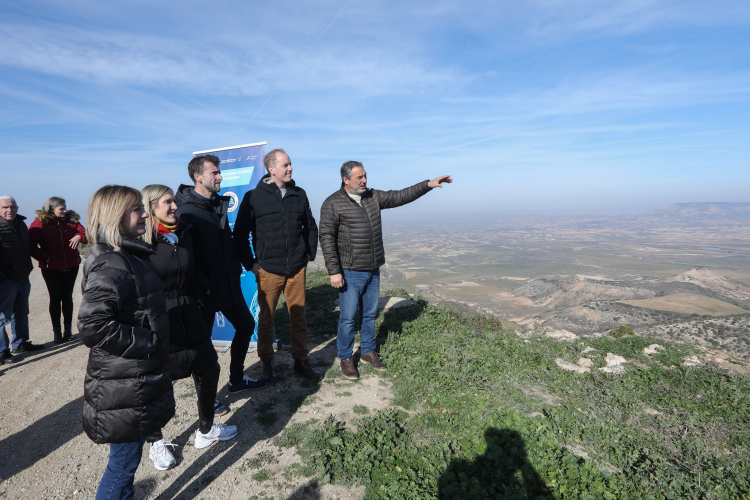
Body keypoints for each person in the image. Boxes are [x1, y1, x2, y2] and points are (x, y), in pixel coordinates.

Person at [77, 185, 175, 500]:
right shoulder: (112, 263)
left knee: (125, 461)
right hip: (124, 386)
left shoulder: (124, 254)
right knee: (122, 464)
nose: (145, 213)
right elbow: (93, 325)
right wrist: (149, 339)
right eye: (137, 209)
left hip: (131, 380)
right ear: (115, 216)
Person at [319, 162, 452, 379]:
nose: (364, 181)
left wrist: (427, 185)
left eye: (365, 176)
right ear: (346, 180)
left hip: (373, 267)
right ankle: (345, 357)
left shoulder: (372, 197)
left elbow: (400, 196)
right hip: (350, 270)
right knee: (348, 317)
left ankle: (368, 351)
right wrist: (334, 271)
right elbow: (326, 237)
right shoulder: (333, 203)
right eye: (359, 177)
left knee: (370, 314)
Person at [140, 184, 238, 471]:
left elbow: (191, 272)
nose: (174, 207)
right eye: (168, 203)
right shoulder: (140, 243)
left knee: (208, 368)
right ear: (150, 207)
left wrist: (202, 300)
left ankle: (206, 430)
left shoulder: (181, 233)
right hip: (158, 317)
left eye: (174, 202)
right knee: (157, 381)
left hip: (189, 310)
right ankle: (156, 441)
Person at [175, 154, 268, 394]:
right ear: (198, 177)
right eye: (214, 172)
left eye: (219, 172)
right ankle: (208, 400)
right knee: (203, 347)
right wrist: (200, 289)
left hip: (227, 285)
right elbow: (185, 258)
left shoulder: (217, 204)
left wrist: (247, 266)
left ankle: (236, 380)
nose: (220, 176)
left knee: (246, 326)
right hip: (203, 292)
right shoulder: (185, 212)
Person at [234, 149, 321, 381]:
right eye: (285, 165)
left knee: (298, 316)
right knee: (267, 319)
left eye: (290, 164)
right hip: (268, 269)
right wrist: (251, 265)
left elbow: (310, 227)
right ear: (271, 169)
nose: (290, 168)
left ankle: (301, 361)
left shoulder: (299, 194)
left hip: (296, 268)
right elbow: (239, 234)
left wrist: (308, 255)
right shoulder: (254, 197)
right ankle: (266, 363)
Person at [28, 196, 86, 343]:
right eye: (61, 209)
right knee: (55, 298)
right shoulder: (39, 223)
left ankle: (68, 331)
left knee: (67, 297)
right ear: (51, 209)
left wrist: (79, 236)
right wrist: (45, 257)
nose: (65, 211)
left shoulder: (71, 220)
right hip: (51, 268)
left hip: (71, 266)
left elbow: (84, 233)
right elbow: (30, 245)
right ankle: (57, 332)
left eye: (65, 208)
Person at [0, 195, 43, 365]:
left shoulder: (21, 223)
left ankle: (20, 343)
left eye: (12, 207)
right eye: (5, 207)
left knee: (21, 312)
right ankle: (2, 352)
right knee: (2, 316)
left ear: (17, 208)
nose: (9, 210)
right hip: (6, 281)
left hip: (23, 277)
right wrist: (3, 278)